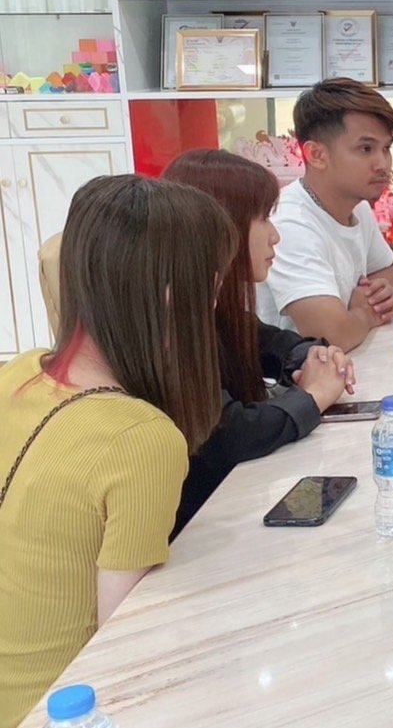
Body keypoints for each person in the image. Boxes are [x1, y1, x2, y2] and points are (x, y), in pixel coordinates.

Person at [0, 175, 234, 726]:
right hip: (58, 710)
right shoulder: (141, 438)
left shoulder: (17, 372)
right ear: (176, 298)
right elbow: (127, 648)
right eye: (213, 286)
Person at [163, 150, 356, 539]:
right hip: (197, 530)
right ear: (221, 225)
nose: (275, 235)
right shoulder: (172, 320)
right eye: (264, 218)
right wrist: (313, 396)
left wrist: (313, 356)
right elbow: (227, 432)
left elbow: (269, 342)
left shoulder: (216, 306)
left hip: (230, 506)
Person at [256, 78, 393, 350]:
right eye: (366, 149)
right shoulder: (290, 224)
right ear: (316, 155)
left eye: (386, 149)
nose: (383, 164)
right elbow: (329, 337)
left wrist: (378, 293)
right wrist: (366, 313)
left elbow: (390, 268)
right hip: (294, 372)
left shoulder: (355, 205)